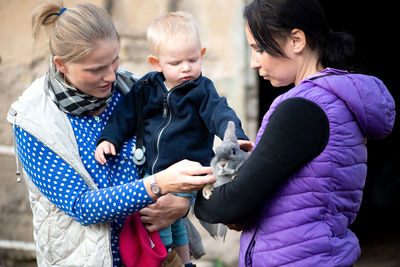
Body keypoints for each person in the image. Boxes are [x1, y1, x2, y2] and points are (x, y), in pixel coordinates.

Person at [6, 1, 214, 267]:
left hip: (154, 253)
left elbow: (182, 148)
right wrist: (156, 185)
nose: (110, 76)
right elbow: (81, 206)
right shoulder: (34, 122)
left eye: (114, 61)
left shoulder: (136, 90)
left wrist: (182, 201)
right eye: (95, 69)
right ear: (62, 65)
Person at [194, 0, 396, 266]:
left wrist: (194, 195)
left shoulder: (303, 109)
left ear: (297, 40)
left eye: (259, 48)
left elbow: (233, 203)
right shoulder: (334, 101)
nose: (254, 63)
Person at [94, 11, 252, 266]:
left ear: (201, 55)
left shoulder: (202, 89)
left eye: (192, 59)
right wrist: (108, 138)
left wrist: (235, 138)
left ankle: (173, 260)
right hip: (150, 173)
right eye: (176, 63)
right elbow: (124, 115)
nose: (186, 68)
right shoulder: (145, 88)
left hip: (188, 172)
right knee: (168, 222)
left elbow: (220, 114)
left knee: (169, 219)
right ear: (156, 63)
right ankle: (180, 261)